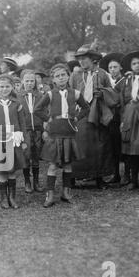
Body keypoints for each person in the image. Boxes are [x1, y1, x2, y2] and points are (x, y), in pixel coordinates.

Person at [34, 63, 90, 207]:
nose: (61, 78)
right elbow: (37, 109)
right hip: (55, 133)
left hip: (69, 132)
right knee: (52, 165)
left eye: (63, 75)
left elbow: (86, 107)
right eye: (57, 76)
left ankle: (66, 193)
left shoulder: (75, 93)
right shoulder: (50, 94)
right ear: (53, 79)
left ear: (68, 76)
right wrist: (48, 119)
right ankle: (50, 195)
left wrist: (77, 117)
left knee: (67, 165)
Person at [70, 43, 119, 189]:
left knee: (99, 144)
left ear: (92, 59)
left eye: (84, 58)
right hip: (81, 113)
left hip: (98, 112)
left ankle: (99, 177)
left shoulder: (103, 74)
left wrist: (102, 93)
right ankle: (74, 177)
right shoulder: (75, 75)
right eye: (79, 59)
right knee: (79, 144)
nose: (82, 62)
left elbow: (111, 91)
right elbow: (70, 94)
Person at [0, 74, 27, 209]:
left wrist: (25, 140)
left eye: (7, 86)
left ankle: (12, 197)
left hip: (14, 140)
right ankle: (4, 198)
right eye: (2, 87)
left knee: (12, 170)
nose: (4, 89)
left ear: (12, 87)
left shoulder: (17, 104)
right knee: (2, 170)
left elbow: (22, 123)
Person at [118, 51, 139, 190]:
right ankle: (133, 179)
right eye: (134, 63)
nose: (137, 66)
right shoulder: (127, 80)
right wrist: (122, 119)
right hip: (128, 115)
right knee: (131, 149)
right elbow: (122, 101)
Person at [99, 52, 127, 185]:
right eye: (110, 68)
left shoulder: (124, 81)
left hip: (121, 116)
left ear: (121, 67)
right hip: (111, 118)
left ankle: (127, 174)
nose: (113, 70)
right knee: (113, 146)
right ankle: (116, 174)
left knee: (123, 146)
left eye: (115, 67)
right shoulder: (109, 82)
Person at [19, 69, 45, 194]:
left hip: (38, 130)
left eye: (32, 81)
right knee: (25, 156)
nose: (29, 83)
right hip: (25, 131)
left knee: (36, 155)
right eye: (27, 81)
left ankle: (36, 181)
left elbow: (45, 112)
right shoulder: (17, 96)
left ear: (35, 82)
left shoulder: (40, 95)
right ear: (22, 82)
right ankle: (27, 182)